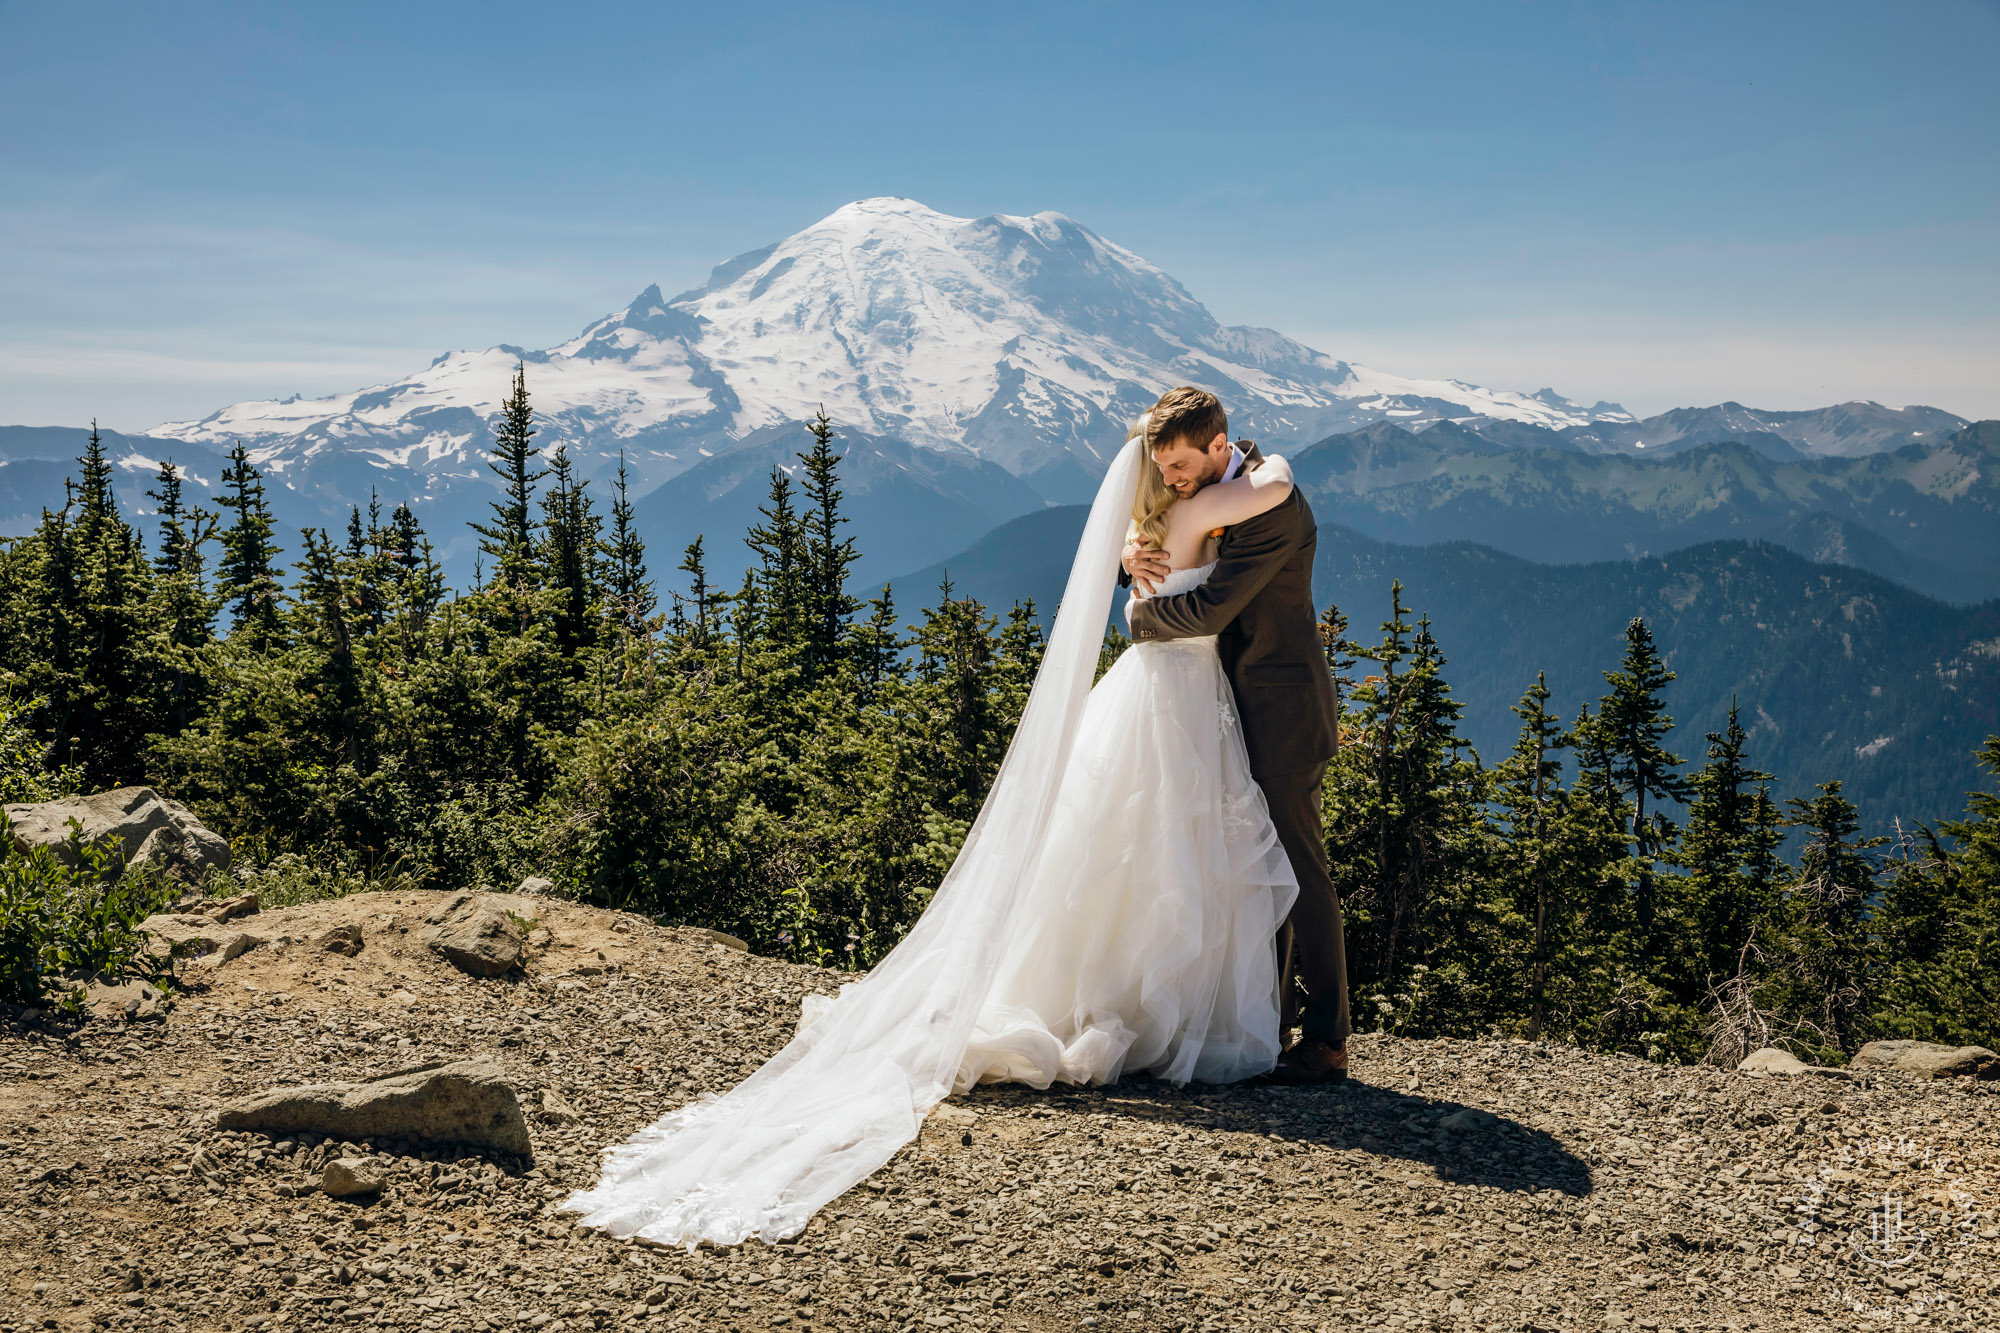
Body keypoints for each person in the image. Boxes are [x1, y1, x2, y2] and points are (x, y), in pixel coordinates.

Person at [558, 386, 1342, 1250]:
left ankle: (1324, 1036)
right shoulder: (1209, 490)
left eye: (1182, 464)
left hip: (1275, 704)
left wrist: (1138, 598)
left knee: (1285, 863)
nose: (1170, 479)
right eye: (1162, 469)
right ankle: (1248, 1021)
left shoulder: (1262, 495)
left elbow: (1215, 587)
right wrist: (1137, 551)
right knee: (1196, 855)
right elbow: (1180, 530)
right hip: (1203, 702)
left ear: (1218, 444)